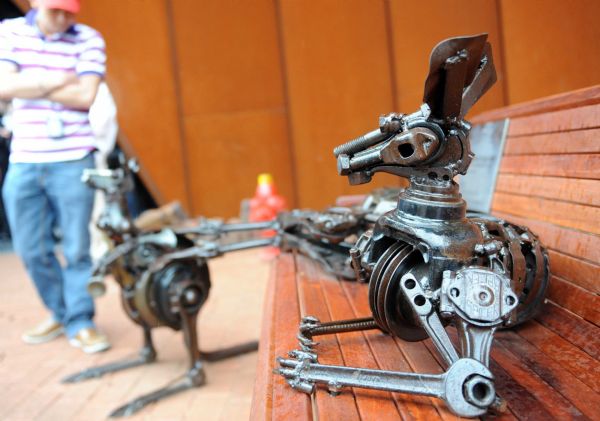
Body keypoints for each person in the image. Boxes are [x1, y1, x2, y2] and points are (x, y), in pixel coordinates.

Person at [0, 0, 110, 353]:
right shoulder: (9, 32)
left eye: (69, 12)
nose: (63, 19)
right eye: (55, 11)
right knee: (31, 248)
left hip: (74, 157)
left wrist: (28, 82)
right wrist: (57, 79)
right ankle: (60, 312)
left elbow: (86, 95)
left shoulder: (89, 38)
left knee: (77, 247)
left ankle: (80, 319)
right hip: (25, 158)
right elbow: (2, 87)